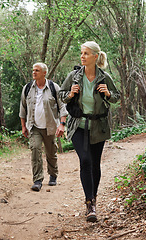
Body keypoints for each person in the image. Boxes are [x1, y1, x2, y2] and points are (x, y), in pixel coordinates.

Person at [59, 41, 120, 222]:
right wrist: (70, 94)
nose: (82, 56)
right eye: (81, 53)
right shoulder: (74, 76)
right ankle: (89, 203)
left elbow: (116, 97)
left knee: (95, 164)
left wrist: (108, 93)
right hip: (78, 125)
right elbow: (61, 95)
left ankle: (93, 199)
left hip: (98, 127)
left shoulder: (104, 77)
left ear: (95, 56)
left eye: (86, 53)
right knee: (85, 160)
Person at [19, 63, 68, 192]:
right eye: (33, 70)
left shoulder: (53, 87)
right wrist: (23, 126)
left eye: (37, 70)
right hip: (34, 126)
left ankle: (53, 175)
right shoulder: (28, 88)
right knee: (35, 149)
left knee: (51, 152)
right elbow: (22, 108)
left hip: (50, 126)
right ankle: (37, 180)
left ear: (44, 73)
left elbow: (63, 107)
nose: (34, 72)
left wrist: (62, 124)